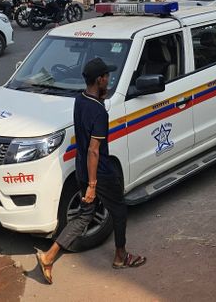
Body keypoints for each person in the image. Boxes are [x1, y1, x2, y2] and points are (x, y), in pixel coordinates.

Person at [35, 58, 146, 284]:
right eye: (107, 77)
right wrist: (93, 185)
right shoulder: (99, 113)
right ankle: (121, 256)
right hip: (99, 172)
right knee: (119, 211)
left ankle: (48, 256)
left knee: (85, 215)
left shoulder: (81, 100)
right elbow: (94, 150)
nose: (109, 79)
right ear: (99, 80)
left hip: (82, 168)